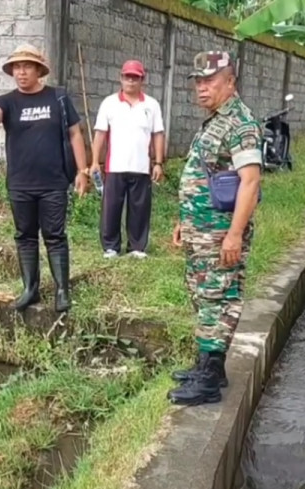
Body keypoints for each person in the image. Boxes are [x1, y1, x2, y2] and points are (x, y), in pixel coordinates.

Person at [167, 51, 263, 406]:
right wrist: (184, 221)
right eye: (198, 81)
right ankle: (211, 365)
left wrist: (235, 234)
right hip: (201, 229)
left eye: (210, 80)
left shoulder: (240, 123)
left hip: (221, 232)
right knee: (201, 293)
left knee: (218, 297)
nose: (201, 88)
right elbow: (205, 176)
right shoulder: (215, 121)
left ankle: (208, 380)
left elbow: (250, 183)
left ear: (230, 81)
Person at [0, 44, 89, 313]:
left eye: (27, 66)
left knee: (55, 236)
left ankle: (61, 292)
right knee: (25, 236)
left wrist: (82, 170)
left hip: (54, 183)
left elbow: (75, 134)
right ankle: (30, 289)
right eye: (17, 67)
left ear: (38, 70)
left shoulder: (57, 98)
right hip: (20, 184)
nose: (21, 72)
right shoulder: (8, 101)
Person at [90, 60, 166, 259]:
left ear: (142, 80)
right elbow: (99, 134)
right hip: (115, 166)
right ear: (121, 78)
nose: (131, 81)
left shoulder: (151, 105)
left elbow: (158, 134)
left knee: (140, 208)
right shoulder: (109, 103)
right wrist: (94, 162)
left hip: (141, 166)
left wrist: (158, 162)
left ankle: (137, 247)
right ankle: (111, 247)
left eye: (135, 77)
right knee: (111, 208)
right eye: (127, 77)